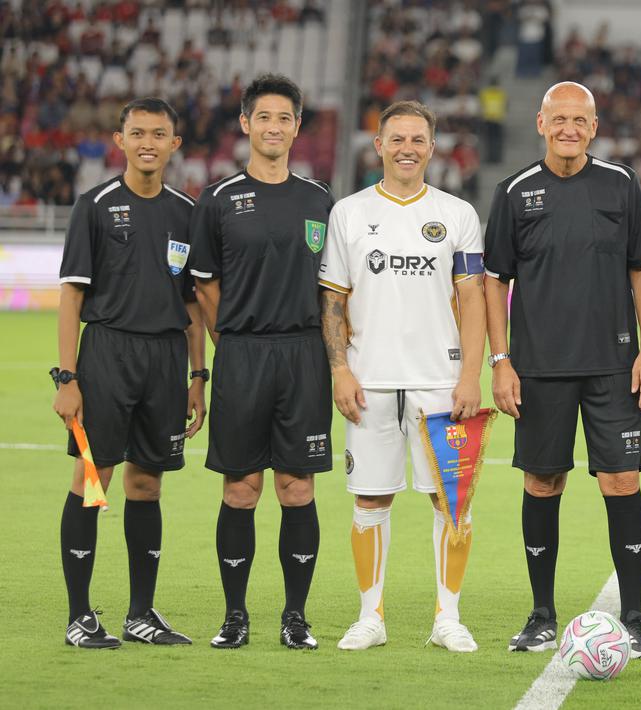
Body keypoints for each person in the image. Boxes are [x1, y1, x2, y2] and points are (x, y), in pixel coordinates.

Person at [484, 81, 641, 657]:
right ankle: (540, 614)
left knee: (622, 480)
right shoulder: (514, 192)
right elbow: (494, 281)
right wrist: (501, 360)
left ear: (593, 125)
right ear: (541, 123)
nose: (569, 128)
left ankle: (633, 616)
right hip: (538, 367)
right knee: (543, 481)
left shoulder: (621, 184)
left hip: (613, 365)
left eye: (579, 120)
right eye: (558, 118)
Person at [320, 100, 487, 653]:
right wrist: (340, 369)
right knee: (370, 499)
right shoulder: (348, 212)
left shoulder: (458, 214)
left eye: (418, 139)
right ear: (379, 145)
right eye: (397, 139)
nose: (407, 148)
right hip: (368, 381)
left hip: (440, 381)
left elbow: (472, 299)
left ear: (433, 147)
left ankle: (448, 617)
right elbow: (333, 300)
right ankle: (371, 617)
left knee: (450, 502)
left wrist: (470, 377)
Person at [188, 74, 335, 650]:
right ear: (246, 124)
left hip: (305, 358)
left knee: (298, 489)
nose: (274, 128)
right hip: (243, 355)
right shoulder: (219, 199)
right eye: (264, 118)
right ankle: (235, 616)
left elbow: (332, 291)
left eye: (285, 119)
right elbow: (203, 283)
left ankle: (295, 617)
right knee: (240, 490)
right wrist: (237, 339)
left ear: (297, 128)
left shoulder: (319, 200)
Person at [54, 97, 205, 648]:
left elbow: (191, 305)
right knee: (93, 482)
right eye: (137, 132)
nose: (147, 142)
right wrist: (66, 378)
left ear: (174, 143)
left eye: (158, 134)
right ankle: (79, 617)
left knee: (148, 483)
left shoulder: (187, 213)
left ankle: (141, 614)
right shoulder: (94, 206)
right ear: (120, 139)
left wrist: (198, 375)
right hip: (107, 356)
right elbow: (71, 294)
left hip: (166, 360)